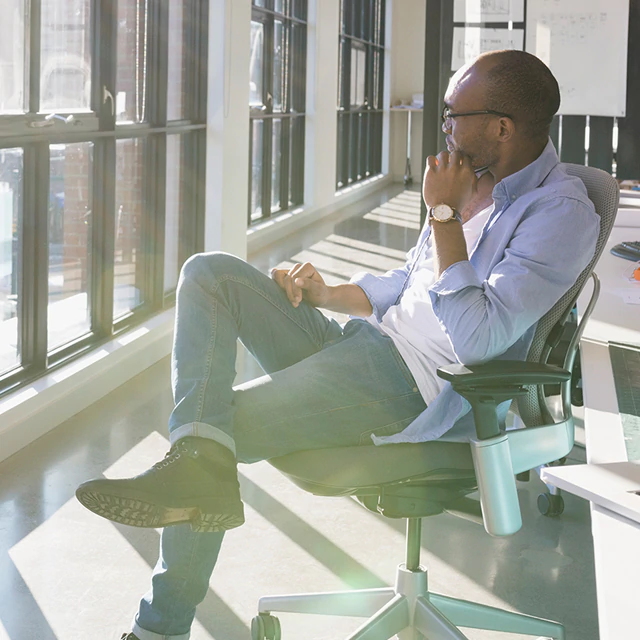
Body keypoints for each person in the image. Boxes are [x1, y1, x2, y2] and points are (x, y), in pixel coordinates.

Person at [76, 50, 600, 640]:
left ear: (501, 126)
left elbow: (478, 340)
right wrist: (329, 295)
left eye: (454, 113)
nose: (445, 125)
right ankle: (194, 467)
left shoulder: (559, 212)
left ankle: (158, 627)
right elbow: (406, 286)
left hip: (415, 386)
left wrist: (446, 214)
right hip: (364, 343)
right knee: (210, 274)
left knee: (212, 432)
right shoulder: (467, 178)